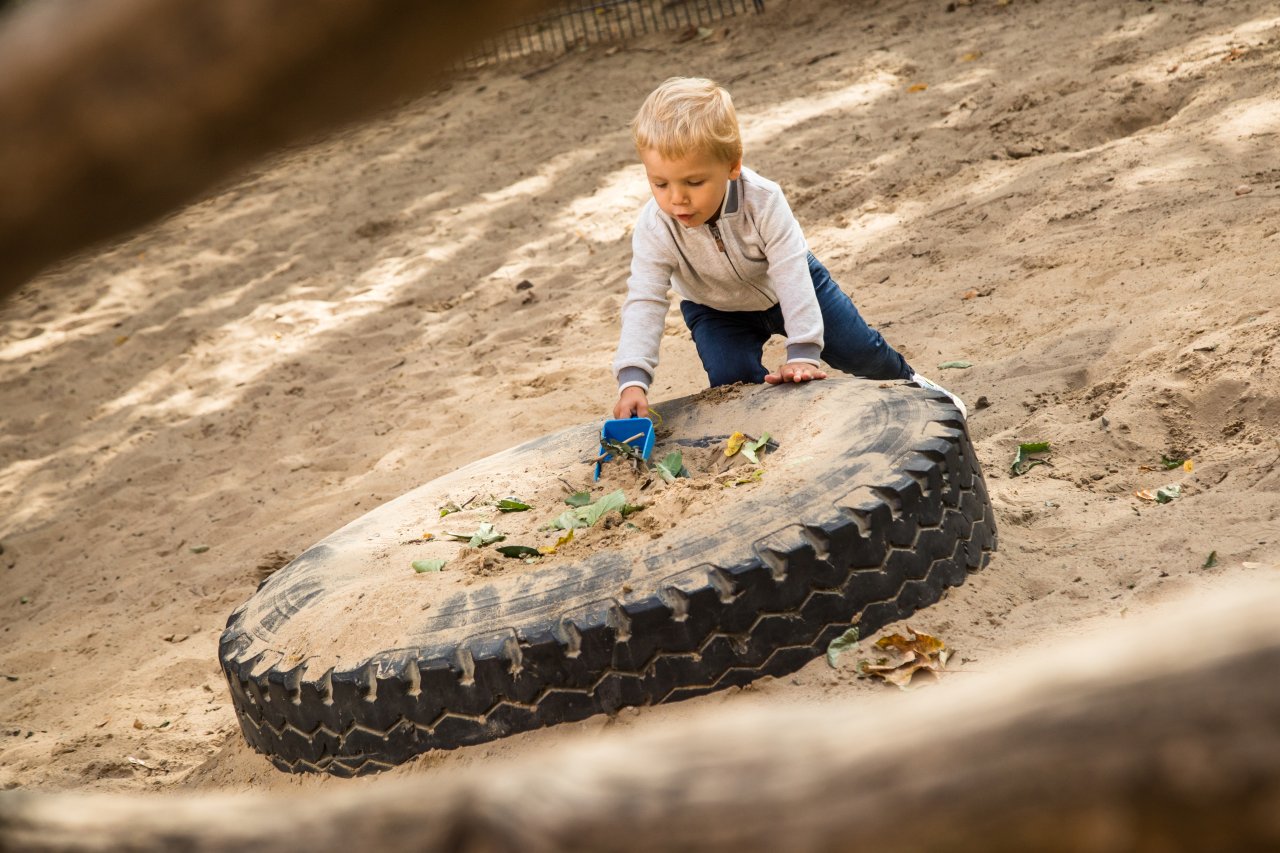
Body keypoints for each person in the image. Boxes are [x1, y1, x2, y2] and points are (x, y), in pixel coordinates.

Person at [611, 76, 962, 419]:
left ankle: (919, 391)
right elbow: (646, 299)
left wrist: (804, 352)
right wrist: (633, 380)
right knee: (730, 382)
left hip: (790, 287)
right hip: (716, 310)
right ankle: (775, 434)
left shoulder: (762, 200)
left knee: (860, 352)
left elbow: (789, 270)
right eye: (659, 183)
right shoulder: (656, 226)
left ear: (732, 165)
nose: (677, 198)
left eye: (694, 181)